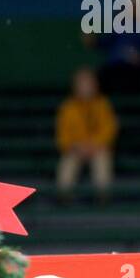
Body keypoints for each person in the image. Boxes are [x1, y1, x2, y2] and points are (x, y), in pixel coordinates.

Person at [56, 68, 119, 204]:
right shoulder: (67, 107)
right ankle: (64, 198)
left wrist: (94, 145)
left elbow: (109, 129)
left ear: (95, 85)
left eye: (89, 84)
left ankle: (103, 199)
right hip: (75, 150)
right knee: (67, 166)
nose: (86, 88)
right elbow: (63, 135)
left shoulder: (103, 105)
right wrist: (75, 146)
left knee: (102, 164)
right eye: (82, 84)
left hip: (98, 148)